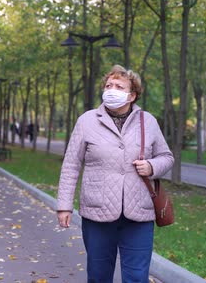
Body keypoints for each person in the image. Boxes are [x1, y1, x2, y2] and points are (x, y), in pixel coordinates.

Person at [56, 65, 174, 283]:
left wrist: (151, 166)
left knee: (137, 277)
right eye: (108, 85)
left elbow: (166, 157)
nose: (111, 89)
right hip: (97, 213)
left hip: (139, 213)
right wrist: (64, 205)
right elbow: (71, 164)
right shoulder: (87, 121)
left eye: (119, 86)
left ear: (132, 95)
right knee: (99, 276)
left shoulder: (148, 121)